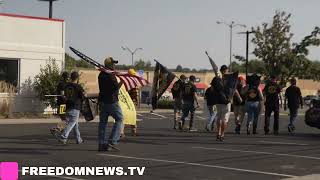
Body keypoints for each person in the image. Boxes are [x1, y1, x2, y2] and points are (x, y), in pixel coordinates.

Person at [98, 57, 123, 151]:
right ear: (109, 65)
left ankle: (101, 143)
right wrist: (122, 81)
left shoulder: (101, 74)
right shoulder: (111, 75)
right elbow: (115, 87)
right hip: (112, 101)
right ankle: (112, 141)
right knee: (119, 119)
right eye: (113, 64)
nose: (114, 65)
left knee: (102, 123)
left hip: (102, 101)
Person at [53, 71, 85, 144]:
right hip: (70, 106)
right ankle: (61, 133)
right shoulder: (76, 86)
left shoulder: (65, 85)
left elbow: (63, 95)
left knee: (74, 123)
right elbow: (83, 96)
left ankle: (78, 139)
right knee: (70, 121)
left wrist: (66, 100)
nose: (67, 78)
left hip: (66, 105)